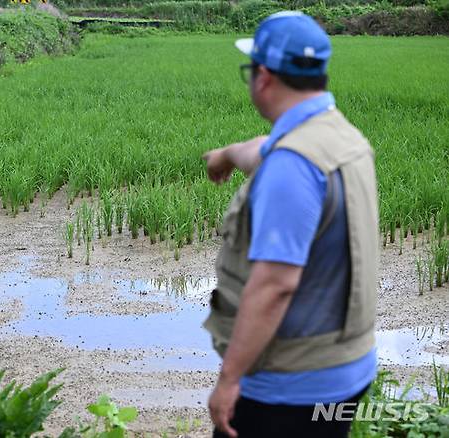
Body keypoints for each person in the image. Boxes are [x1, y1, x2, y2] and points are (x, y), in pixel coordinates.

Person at [201, 11, 379, 438]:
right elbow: (269, 149)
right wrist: (227, 154)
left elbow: (275, 285)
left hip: (290, 392)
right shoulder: (342, 137)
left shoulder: (292, 166)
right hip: (346, 374)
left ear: (263, 76)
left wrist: (229, 381)